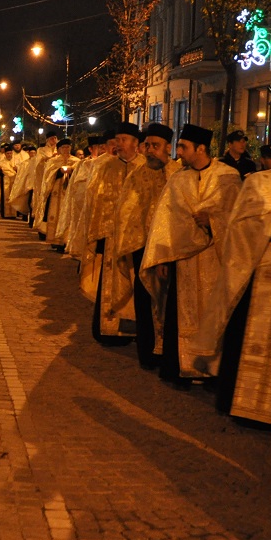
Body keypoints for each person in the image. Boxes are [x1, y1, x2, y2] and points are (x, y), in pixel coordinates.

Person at [188, 124, 271, 421]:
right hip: (259, 273)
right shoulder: (258, 183)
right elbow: (238, 227)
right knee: (245, 335)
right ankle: (242, 405)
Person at [140, 123, 242, 388]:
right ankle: (181, 366)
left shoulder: (228, 176)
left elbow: (239, 219)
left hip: (215, 260)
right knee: (181, 313)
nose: (179, 153)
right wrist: (163, 258)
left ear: (201, 148)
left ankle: (212, 369)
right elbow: (165, 222)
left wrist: (214, 220)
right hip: (184, 261)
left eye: (184, 148)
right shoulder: (178, 179)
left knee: (215, 312)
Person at [114, 123, 179, 369]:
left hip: (172, 250)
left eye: (156, 146)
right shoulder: (138, 174)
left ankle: (168, 353)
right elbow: (126, 210)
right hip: (143, 246)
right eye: (147, 145)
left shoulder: (178, 175)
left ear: (168, 148)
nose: (150, 150)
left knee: (169, 303)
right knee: (145, 301)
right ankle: (147, 353)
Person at [81, 123, 144, 344]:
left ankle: (134, 329)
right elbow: (96, 200)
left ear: (136, 144)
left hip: (136, 240)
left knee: (134, 283)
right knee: (109, 282)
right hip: (111, 237)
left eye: (123, 140)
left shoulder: (145, 168)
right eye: (116, 140)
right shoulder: (106, 167)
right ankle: (108, 329)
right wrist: (97, 232)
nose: (118, 144)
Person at [32, 138, 78, 242]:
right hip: (55, 193)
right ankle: (54, 239)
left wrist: (72, 170)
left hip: (69, 193)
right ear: (59, 149)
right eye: (63, 147)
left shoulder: (76, 161)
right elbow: (47, 176)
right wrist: (58, 172)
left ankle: (66, 240)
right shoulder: (53, 161)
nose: (66, 149)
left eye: (68, 147)